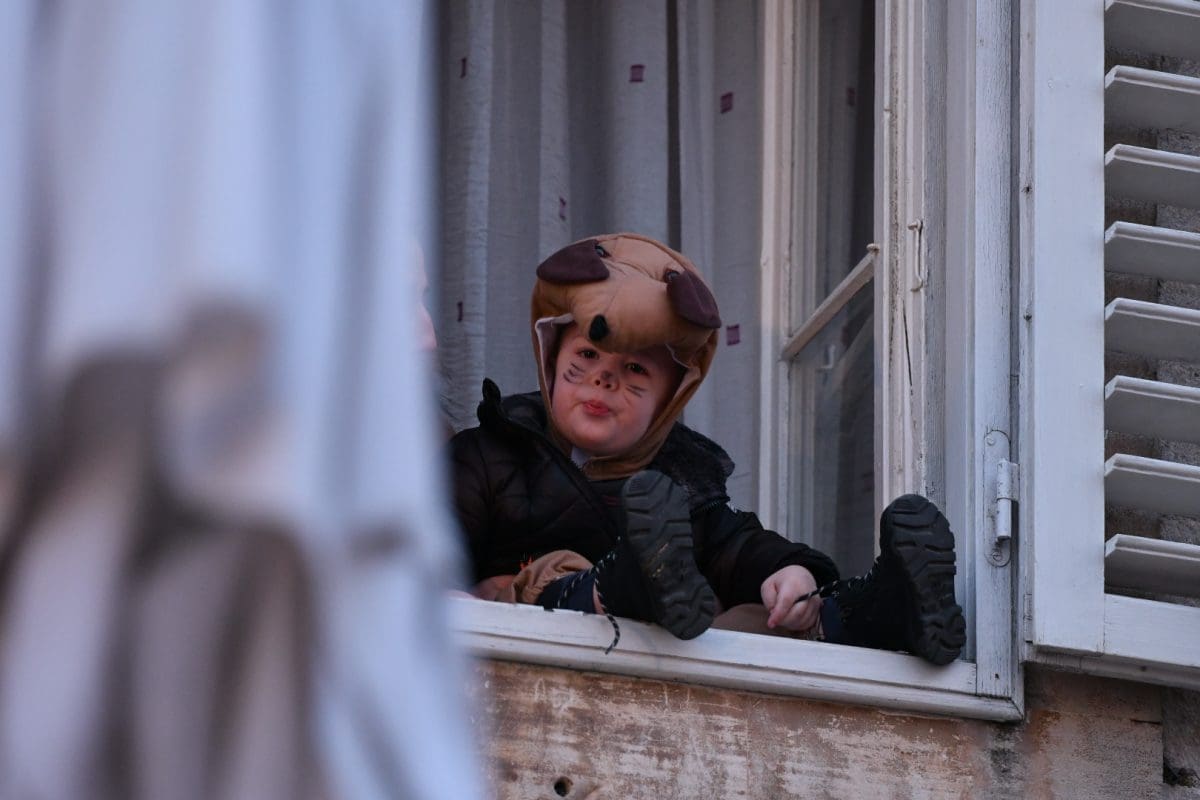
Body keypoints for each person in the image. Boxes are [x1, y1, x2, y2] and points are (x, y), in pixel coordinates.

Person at [449, 233, 966, 665]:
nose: (603, 379)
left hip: (662, 670)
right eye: (586, 354)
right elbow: (432, 537)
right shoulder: (490, 454)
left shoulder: (683, 482)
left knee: (757, 619)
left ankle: (880, 609)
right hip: (537, 653)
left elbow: (740, 547)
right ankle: (625, 581)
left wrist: (792, 575)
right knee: (542, 571)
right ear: (550, 358)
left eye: (634, 369)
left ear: (669, 402)